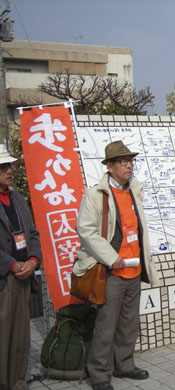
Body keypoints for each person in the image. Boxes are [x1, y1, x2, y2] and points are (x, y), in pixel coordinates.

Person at [73, 140, 160, 390]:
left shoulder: (135, 190)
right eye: (122, 162)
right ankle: (99, 373)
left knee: (129, 322)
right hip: (110, 270)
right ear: (109, 167)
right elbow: (86, 230)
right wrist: (111, 257)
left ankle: (125, 364)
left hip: (133, 268)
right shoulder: (96, 194)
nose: (129, 166)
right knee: (106, 324)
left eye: (130, 161)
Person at [0, 144, 42, 390]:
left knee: (20, 335)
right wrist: (13, 265)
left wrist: (34, 260)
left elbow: (33, 233)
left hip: (24, 276)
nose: (10, 170)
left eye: (10, 165)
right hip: (5, 277)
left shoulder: (17, 198)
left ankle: (17, 381)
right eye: (4, 167)